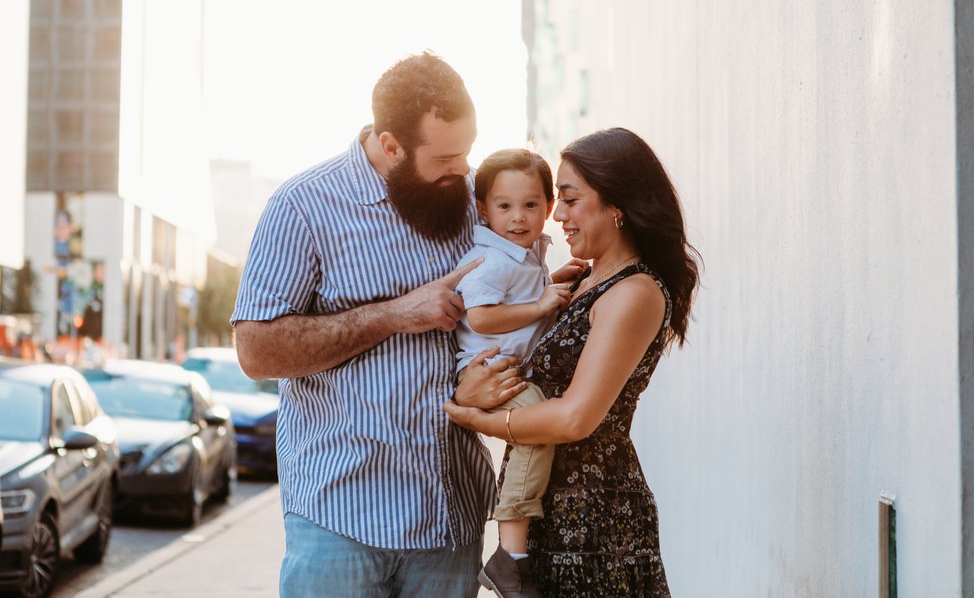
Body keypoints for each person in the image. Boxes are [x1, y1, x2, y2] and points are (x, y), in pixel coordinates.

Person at [232, 51, 527, 598]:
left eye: (468, 150)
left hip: (449, 519)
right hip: (339, 522)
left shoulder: (471, 203)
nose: (465, 169)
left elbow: (513, 298)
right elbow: (256, 351)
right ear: (390, 145)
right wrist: (395, 314)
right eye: (446, 157)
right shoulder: (302, 206)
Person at [446, 127, 701, 597]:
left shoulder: (634, 291)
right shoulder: (581, 281)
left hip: (593, 519)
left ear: (617, 205)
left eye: (568, 199)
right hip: (548, 509)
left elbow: (574, 417)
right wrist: (471, 388)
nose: (556, 215)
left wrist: (476, 417)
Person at [451, 149, 586, 596]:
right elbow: (484, 318)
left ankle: (511, 550)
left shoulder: (528, 254)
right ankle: (509, 556)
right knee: (536, 428)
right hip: (490, 369)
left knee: (536, 426)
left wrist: (553, 285)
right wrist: (540, 304)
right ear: (483, 209)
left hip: (511, 367)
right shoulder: (492, 257)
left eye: (530, 205)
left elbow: (528, 300)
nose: (517, 217)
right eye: (504, 206)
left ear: (549, 207)